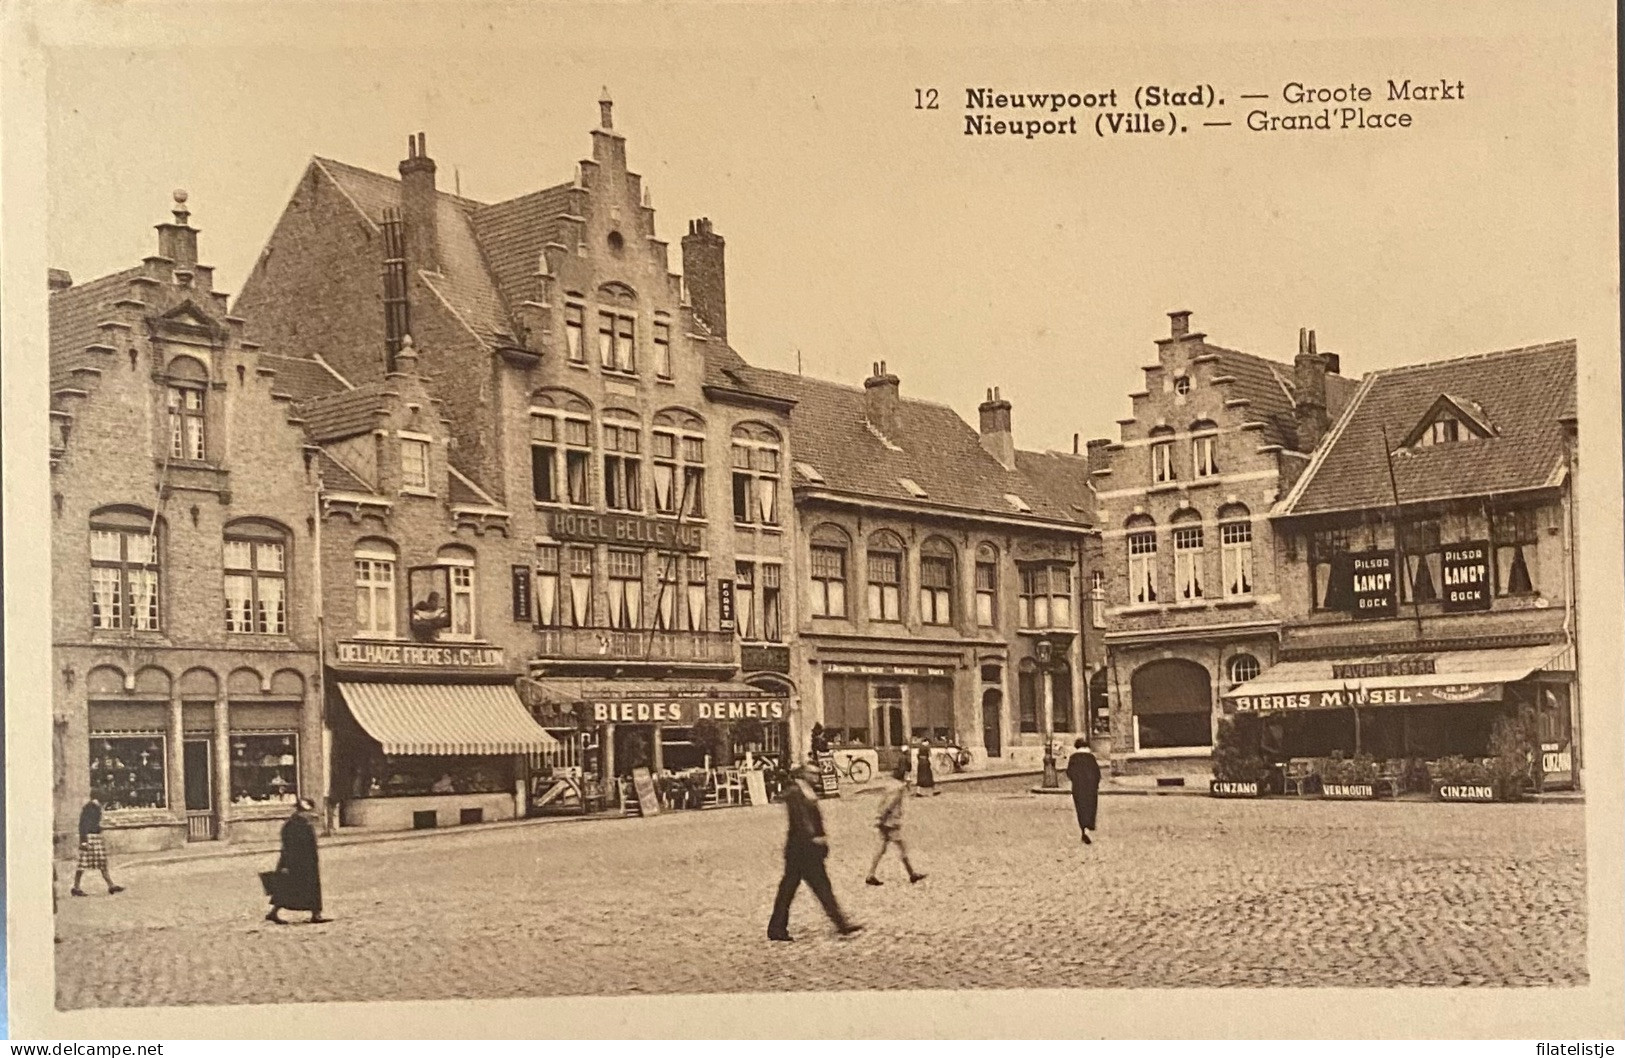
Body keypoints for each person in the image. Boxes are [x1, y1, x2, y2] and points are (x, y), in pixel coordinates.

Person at [767, 763, 862, 942]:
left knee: (803, 888)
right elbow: (801, 820)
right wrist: (814, 837)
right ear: (803, 774)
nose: (817, 776)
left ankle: (778, 927)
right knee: (802, 888)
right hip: (802, 849)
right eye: (813, 773)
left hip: (804, 849)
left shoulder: (806, 791)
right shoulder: (796, 792)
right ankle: (777, 928)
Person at [267, 798, 328, 924]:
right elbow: (289, 845)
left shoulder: (299, 822)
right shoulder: (296, 824)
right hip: (299, 861)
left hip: (305, 860)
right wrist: (286, 863)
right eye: (308, 811)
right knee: (293, 887)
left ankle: (315, 913)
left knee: (292, 887)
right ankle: (315, 914)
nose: (311, 814)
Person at [865, 761, 925, 886]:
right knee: (901, 847)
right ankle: (912, 874)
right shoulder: (899, 787)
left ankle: (871, 874)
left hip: (885, 820)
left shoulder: (890, 784)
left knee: (881, 848)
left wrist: (879, 817)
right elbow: (891, 804)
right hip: (891, 822)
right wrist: (883, 818)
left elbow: (884, 801)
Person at [70, 797, 124, 897]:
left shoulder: (96, 808)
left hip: (95, 838)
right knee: (83, 864)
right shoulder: (89, 808)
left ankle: (111, 885)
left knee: (102, 862)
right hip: (89, 838)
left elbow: (94, 824)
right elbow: (83, 825)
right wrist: (84, 841)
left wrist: (99, 828)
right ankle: (76, 887)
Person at [1065, 738, 1102, 845]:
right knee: (1090, 807)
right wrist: (1095, 783)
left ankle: (1083, 828)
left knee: (1080, 808)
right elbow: (1097, 773)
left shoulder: (1073, 758)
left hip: (1078, 787)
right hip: (1091, 788)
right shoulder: (1091, 758)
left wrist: (1075, 780)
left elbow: (1069, 772)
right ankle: (1089, 827)